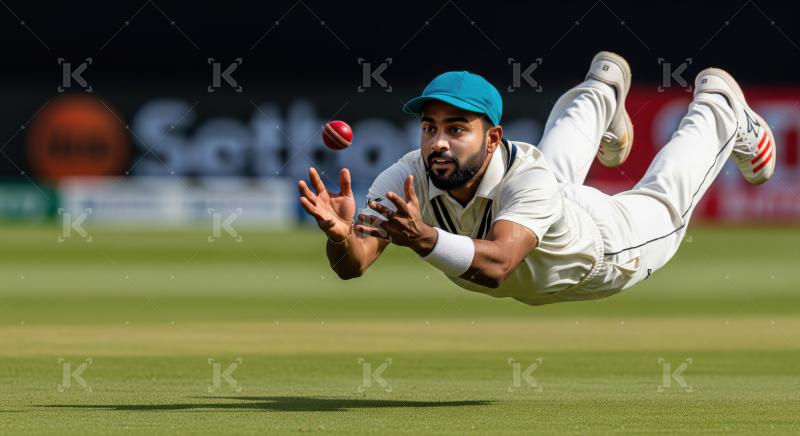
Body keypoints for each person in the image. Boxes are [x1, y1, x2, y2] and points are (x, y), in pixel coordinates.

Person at [297, 51, 776, 306]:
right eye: (430, 128)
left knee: (665, 201)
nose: (438, 142)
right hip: (550, 208)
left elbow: (498, 265)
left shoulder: (528, 179)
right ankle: (604, 86)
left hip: (605, 250)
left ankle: (718, 108)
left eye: (457, 129)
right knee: (557, 167)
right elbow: (353, 265)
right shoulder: (407, 176)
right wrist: (340, 238)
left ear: (492, 138)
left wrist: (425, 239)